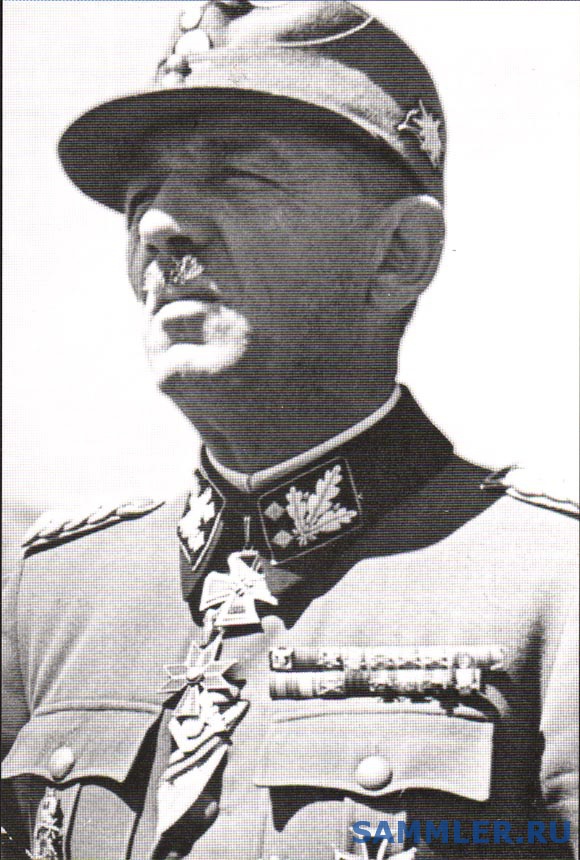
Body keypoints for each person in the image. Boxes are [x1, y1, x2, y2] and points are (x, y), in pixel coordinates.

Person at [2, 2, 578, 859]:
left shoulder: (553, 588)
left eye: (236, 175)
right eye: (140, 196)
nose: (158, 229)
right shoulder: (50, 594)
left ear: (400, 253)